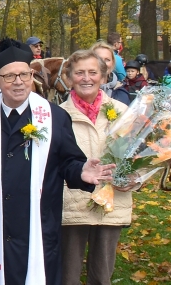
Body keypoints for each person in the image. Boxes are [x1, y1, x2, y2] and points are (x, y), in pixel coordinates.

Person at [0, 38, 115, 284]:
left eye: (24, 75)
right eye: (9, 77)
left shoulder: (54, 117)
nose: (18, 82)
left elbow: (68, 162)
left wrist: (81, 172)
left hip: (38, 227)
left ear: (32, 76)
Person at [59, 50, 135, 285]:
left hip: (112, 204)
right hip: (71, 204)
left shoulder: (123, 112)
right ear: (69, 77)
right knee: (67, 277)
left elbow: (139, 154)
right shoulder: (57, 115)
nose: (86, 78)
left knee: (102, 277)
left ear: (104, 77)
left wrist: (136, 178)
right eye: (79, 73)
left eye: (93, 72)